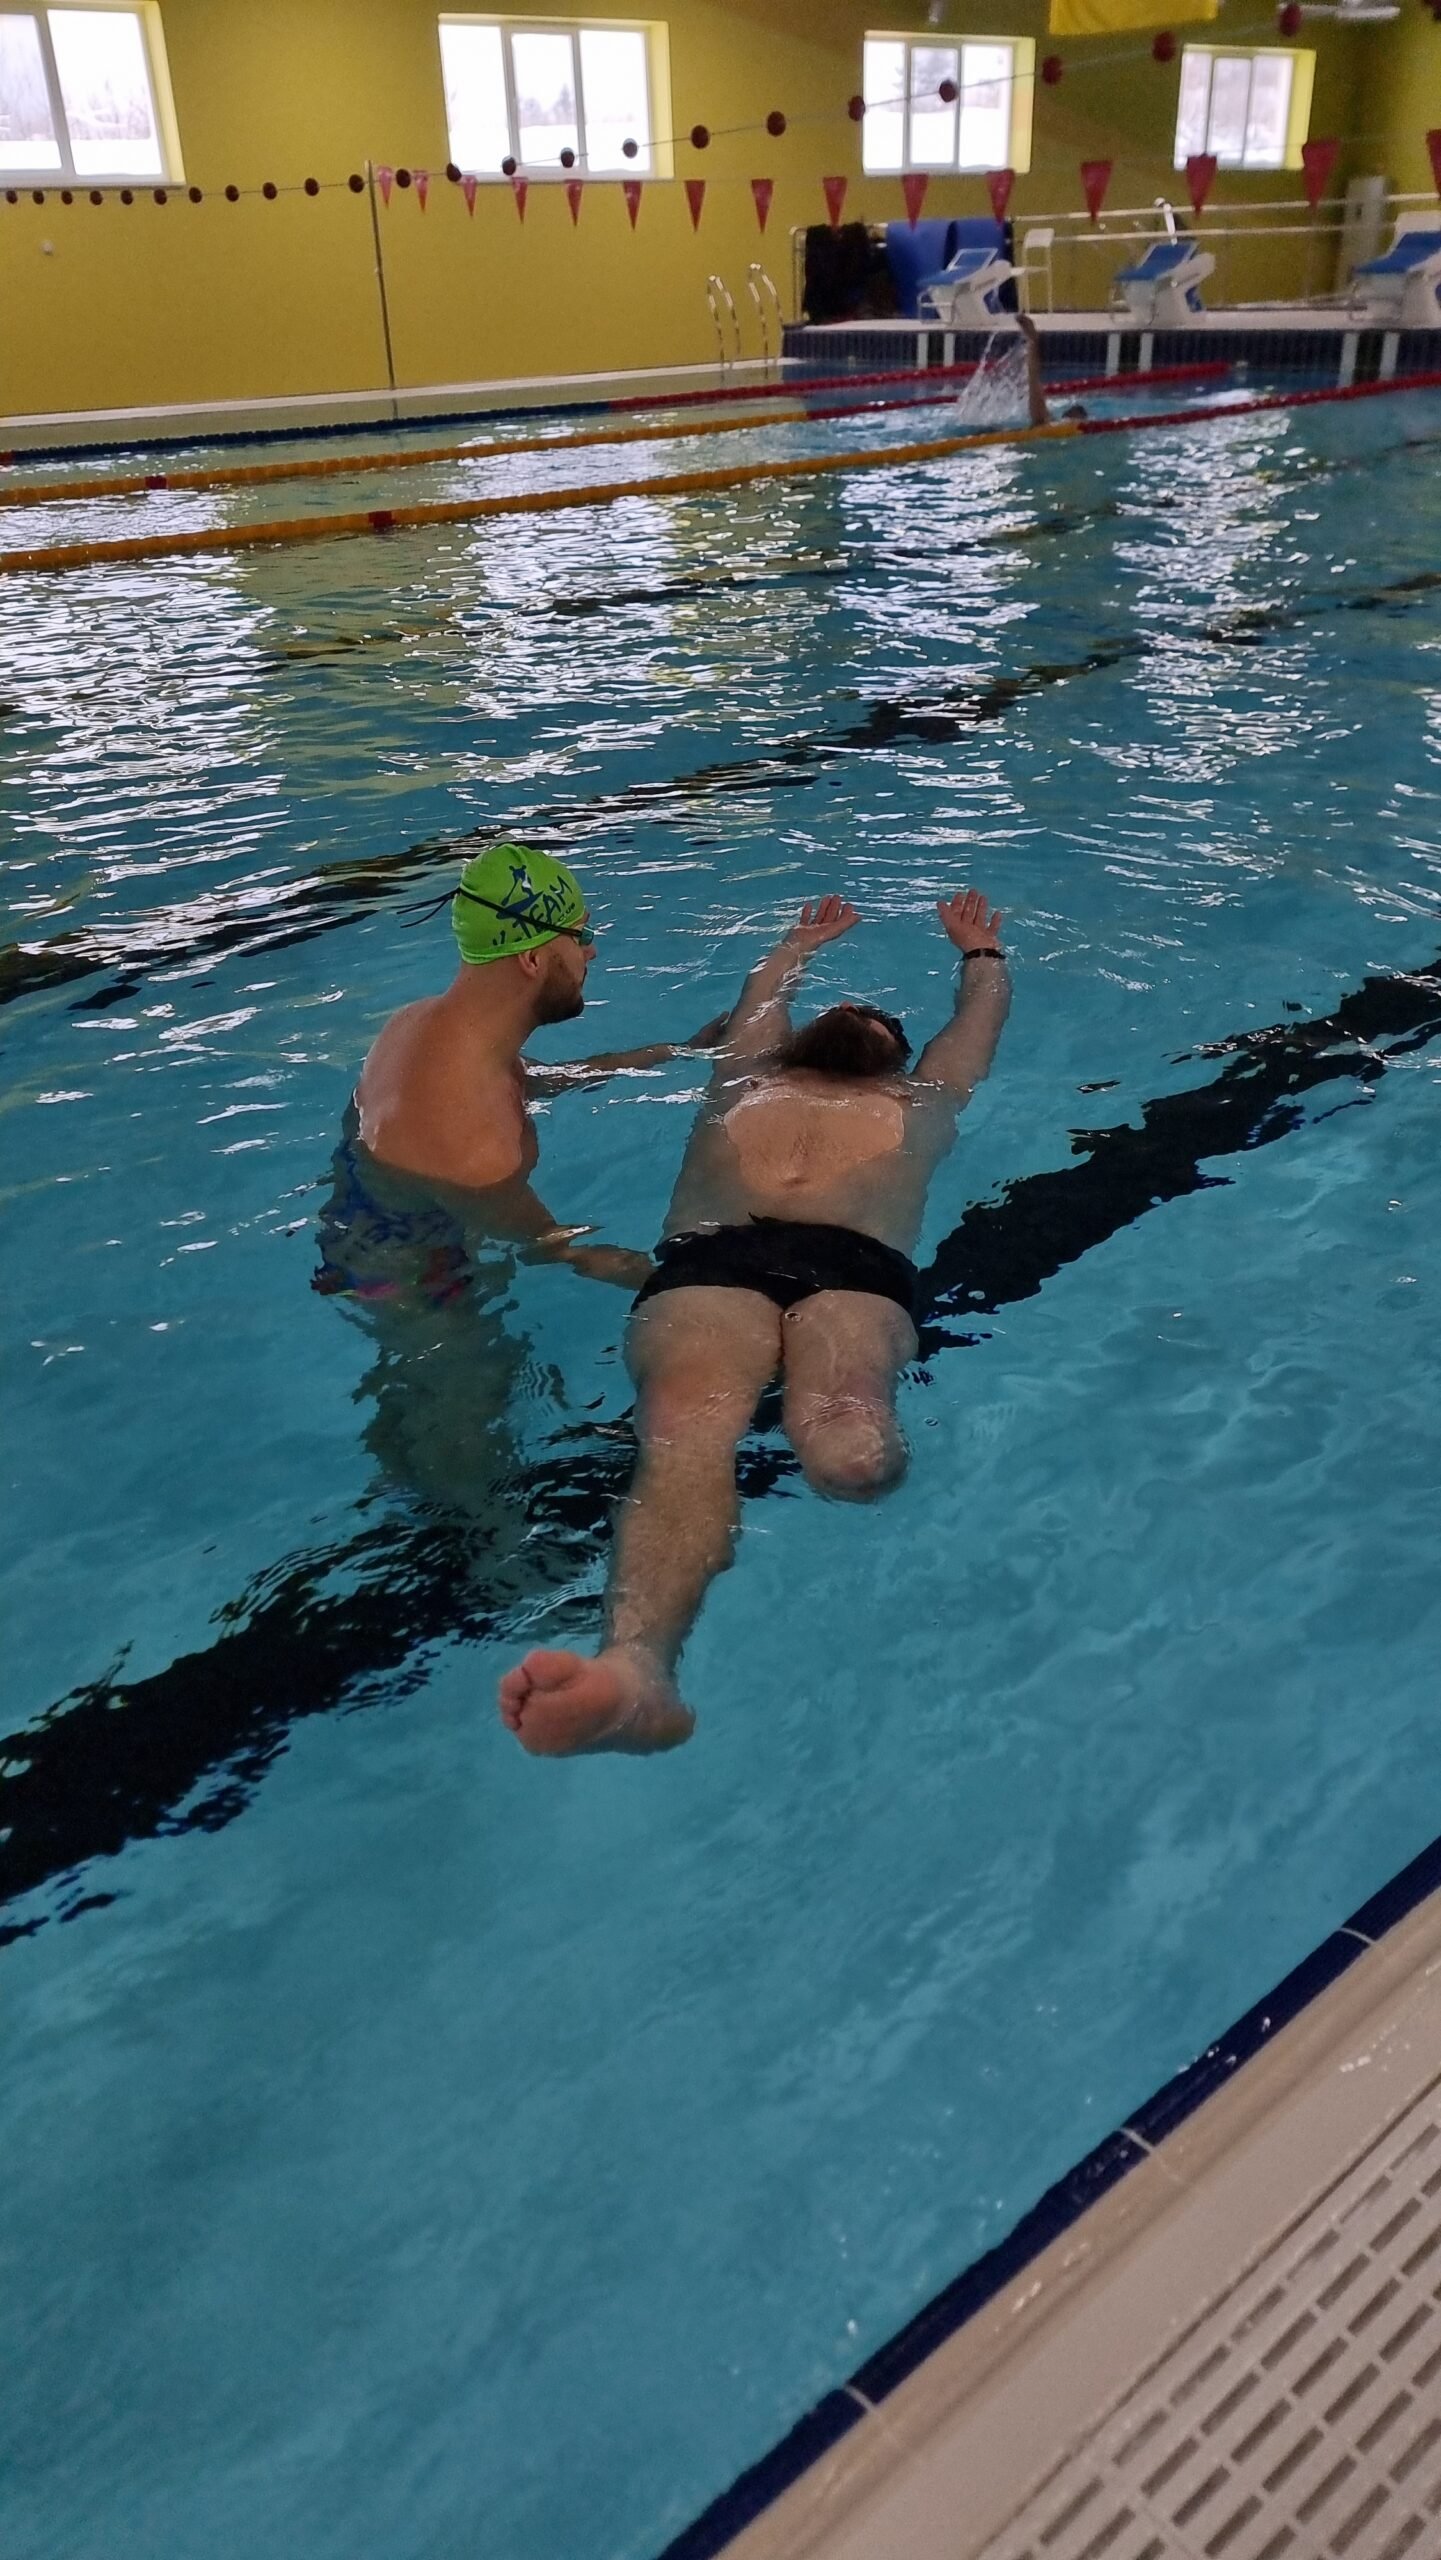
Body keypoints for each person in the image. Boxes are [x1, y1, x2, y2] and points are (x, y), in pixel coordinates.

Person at [498, 886, 1011, 1757]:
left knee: (834, 1443)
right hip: (729, 1264)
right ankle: (635, 1672)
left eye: (877, 1021)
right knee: (683, 1439)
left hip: (829, 1270)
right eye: (850, 1012)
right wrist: (795, 944)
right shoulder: (747, 1067)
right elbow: (763, 997)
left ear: (898, 1059)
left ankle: (847, 1469)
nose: (861, 1015)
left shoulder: (925, 1094)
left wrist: (981, 955)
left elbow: (976, 1024)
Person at [326, 838, 728, 1299]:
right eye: (580, 936)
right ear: (532, 958)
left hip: (364, 1223)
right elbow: (556, 1250)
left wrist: (677, 1052)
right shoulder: (475, 1144)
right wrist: (700, 1286)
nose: (591, 952)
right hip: (414, 1284)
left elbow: (536, 1079)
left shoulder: (420, 1025)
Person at [1018, 310, 1087, 427]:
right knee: (1041, 420)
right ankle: (1033, 341)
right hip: (1047, 426)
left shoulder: (1049, 421)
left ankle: (1033, 341)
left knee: (1041, 419)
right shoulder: (1049, 422)